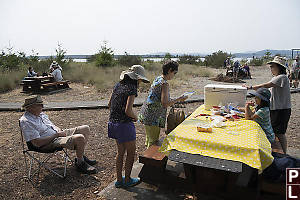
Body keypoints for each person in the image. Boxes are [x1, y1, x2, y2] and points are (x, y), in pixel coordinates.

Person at [19, 95, 97, 174]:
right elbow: (37, 143)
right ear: (31, 107)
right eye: (40, 105)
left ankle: (80, 157)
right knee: (80, 137)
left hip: (57, 135)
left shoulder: (40, 114)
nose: (42, 106)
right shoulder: (26, 121)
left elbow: (51, 125)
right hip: (48, 143)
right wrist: (56, 135)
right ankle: (80, 163)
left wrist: (58, 130)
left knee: (85, 128)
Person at [108, 65, 150, 188]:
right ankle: (127, 180)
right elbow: (128, 110)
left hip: (113, 123)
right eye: (140, 80)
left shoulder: (118, 85)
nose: (140, 83)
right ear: (137, 78)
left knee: (120, 152)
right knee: (131, 153)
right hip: (124, 125)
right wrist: (136, 117)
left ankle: (119, 180)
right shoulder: (132, 88)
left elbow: (109, 104)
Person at [245, 56, 291, 154]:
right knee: (275, 131)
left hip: (281, 109)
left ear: (279, 67)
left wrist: (250, 87)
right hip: (276, 108)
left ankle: (283, 154)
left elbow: (265, 85)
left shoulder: (282, 77)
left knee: (280, 133)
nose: (271, 69)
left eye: (272, 66)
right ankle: (280, 152)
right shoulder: (277, 78)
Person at [138, 60, 187, 148]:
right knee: (153, 143)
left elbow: (161, 99)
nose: (174, 75)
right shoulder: (164, 84)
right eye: (174, 73)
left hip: (147, 113)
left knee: (149, 139)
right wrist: (179, 99)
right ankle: (149, 160)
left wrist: (175, 100)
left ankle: (146, 157)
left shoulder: (158, 79)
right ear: (170, 70)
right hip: (154, 117)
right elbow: (165, 103)